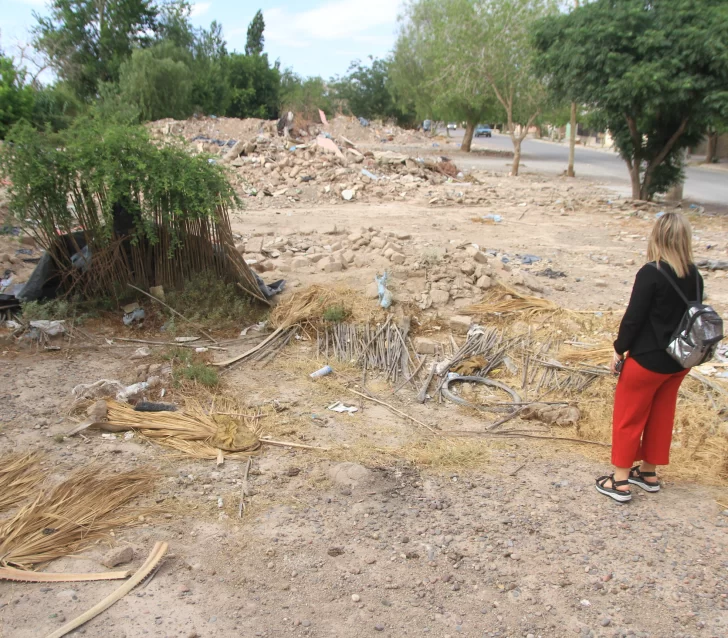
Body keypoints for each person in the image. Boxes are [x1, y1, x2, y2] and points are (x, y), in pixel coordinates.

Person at [596, 212, 703, 503]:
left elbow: (634, 318)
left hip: (647, 360)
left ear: (657, 236)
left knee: (628, 417)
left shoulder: (651, 272)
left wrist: (618, 349)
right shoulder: (695, 275)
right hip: (679, 362)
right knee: (661, 415)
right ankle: (648, 473)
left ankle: (618, 481)